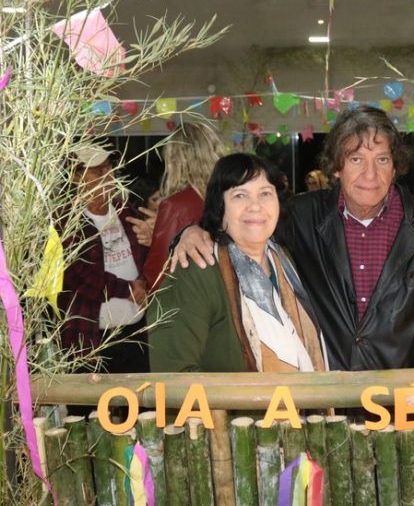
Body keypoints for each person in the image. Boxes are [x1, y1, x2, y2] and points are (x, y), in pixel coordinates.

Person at [173, 106, 414, 371]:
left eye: (382, 159)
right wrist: (191, 232)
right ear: (336, 167)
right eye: (356, 159)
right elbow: (244, 228)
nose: (370, 174)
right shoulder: (302, 216)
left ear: (395, 167)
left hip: (403, 394)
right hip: (326, 391)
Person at [147, 153, 326, 373]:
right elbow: (171, 372)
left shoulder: (283, 260)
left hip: (299, 395)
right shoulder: (197, 269)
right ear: (220, 207)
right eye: (240, 195)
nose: (255, 206)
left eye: (265, 193)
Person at [58, 145, 149, 374]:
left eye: (110, 168)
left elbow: (145, 258)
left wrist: (152, 242)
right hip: (90, 337)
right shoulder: (65, 221)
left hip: (136, 330)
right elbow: (78, 276)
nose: (108, 176)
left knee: (142, 394)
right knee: (92, 396)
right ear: (76, 176)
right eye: (98, 171)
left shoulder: (125, 210)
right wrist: (129, 289)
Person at [141, 121, 225, 291]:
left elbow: (158, 274)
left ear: (174, 160)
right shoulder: (229, 196)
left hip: (188, 297)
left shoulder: (175, 205)